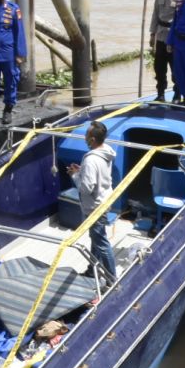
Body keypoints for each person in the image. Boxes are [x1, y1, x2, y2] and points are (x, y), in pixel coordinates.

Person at [68, 120, 117, 285]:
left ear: (93, 140)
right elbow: (97, 176)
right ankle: (92, 269)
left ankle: (111, 280)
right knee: (95, 238)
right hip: (104, 201)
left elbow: (86, 188)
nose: (84, 138)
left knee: (101, 243)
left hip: (94, 207)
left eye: (86, 136)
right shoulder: (107, 152)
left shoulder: (90, 160)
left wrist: (74, 175)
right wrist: (81, 171)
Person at [148, 0, 178, 102]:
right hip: (160, 36)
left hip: (173, 37)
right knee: (159, 68)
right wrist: (152, 34)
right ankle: (160, 94)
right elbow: (155, 13)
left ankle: (178, 94)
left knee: (176, 68)